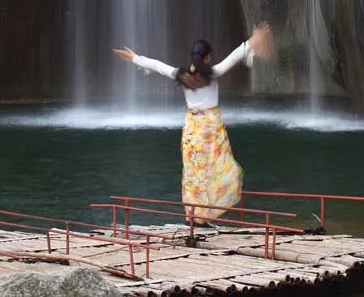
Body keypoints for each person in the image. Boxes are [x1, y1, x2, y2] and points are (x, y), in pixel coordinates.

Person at [113, 22, 273, 225]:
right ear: (207, 58)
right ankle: (203, 217)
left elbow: (158, 66)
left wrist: (135, 58)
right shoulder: (213, 73)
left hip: (192, 129)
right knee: (214, 170)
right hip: (211, 127)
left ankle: (195, 217)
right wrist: (254, 39)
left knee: (193, 172)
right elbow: (236, 55)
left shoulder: (181, 76)